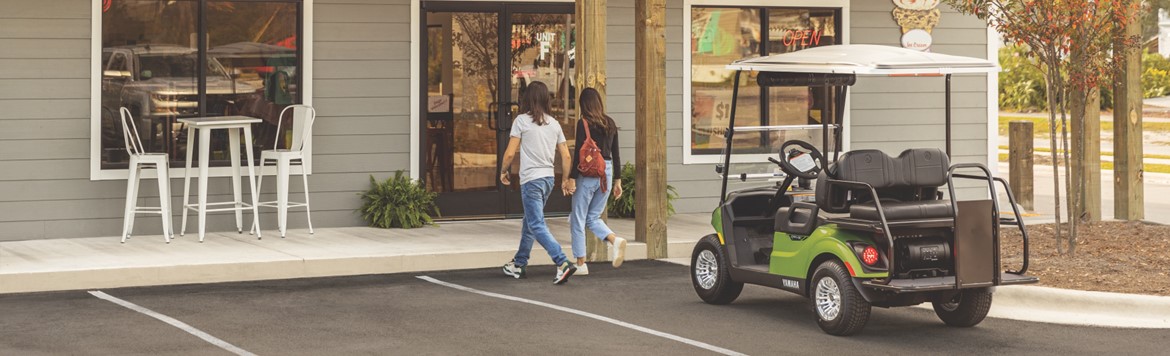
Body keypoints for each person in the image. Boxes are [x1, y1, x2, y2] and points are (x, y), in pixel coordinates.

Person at [500, 81, 578, 285]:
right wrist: (566, 179)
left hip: (531, 180)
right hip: (548, 180)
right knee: (530, 221)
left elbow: (509, 153)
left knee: (535, 223)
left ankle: (562, 263)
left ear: (527, 99)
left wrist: (503, 171)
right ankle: (519, 263)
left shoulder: (521, 121)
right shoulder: (554, 123)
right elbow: (566, 156)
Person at [566, 87, 628, 276]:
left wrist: (571, 179)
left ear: (583, 104)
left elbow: (579, 153)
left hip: (588, 175)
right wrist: (618, 181)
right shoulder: (609, 123)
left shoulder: (583, 123)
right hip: (606, 174)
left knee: (578, 218)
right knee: (592, 217)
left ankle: (580, 263)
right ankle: (614, 240)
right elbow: (616, 154)